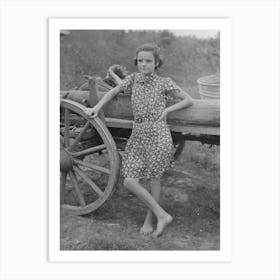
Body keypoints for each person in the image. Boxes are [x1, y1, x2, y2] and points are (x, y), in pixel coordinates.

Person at [84, 43, 194, 237]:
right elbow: (112, 92)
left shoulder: (164, 82)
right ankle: (162, 215)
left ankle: (150, 220)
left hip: (158, 134)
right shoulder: (132, 80)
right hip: (138, 134)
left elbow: (188, 99)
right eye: (140, 61)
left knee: (154, 179)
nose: (143, 64)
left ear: (156, 63)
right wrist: (96, 107)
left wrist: (168, 110)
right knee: (129, 181)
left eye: (148, 61)